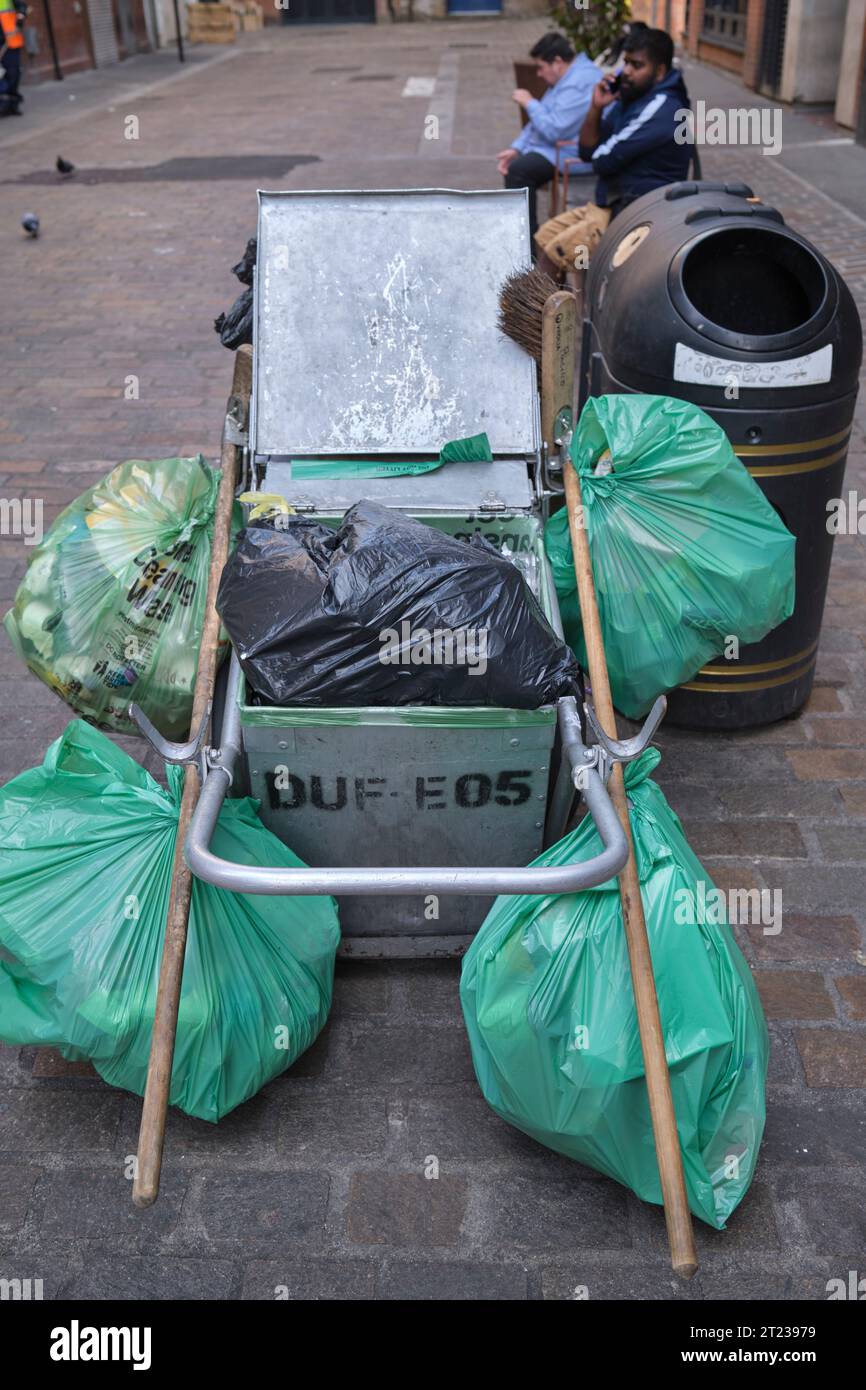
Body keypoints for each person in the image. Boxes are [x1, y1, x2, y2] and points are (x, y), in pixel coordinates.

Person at [535, 28, 691, 275]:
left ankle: (546, 312)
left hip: (641, 214)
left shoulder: (663, 108)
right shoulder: (632, 98)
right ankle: (568, 305)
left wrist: (599, 151)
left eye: (636, 65)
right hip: (611, 205)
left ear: (659, 72)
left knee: (556, 255)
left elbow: (602, 160)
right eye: (626, 62)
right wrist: (596, 107)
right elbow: (587, 151)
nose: (626, 71)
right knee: (545, 238)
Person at [497, 32, 600, 240]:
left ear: (558, 63)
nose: (539, 74)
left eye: (541, 67)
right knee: (516, 167)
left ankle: (526, 247)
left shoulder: (580, 82)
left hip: (572, 151)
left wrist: (529, 103)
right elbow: (540, 121)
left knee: (520, 172)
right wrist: (517, 148)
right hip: (555, 147)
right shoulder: (566, 78)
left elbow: (555, 129)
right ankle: (520, 239)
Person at [0, 0, 26, 118]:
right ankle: (4, 103)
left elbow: (21, 5)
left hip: (9, 42)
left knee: (13, 73)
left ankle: (12, 104)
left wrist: (20, 16)